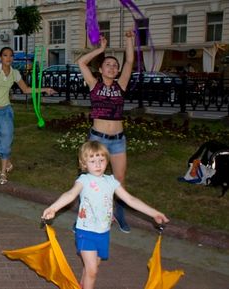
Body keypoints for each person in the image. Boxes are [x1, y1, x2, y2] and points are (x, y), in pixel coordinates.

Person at [41, 140, 169, 289]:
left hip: (103, 233)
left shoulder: (111, 181)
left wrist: (154, 213)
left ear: (107, 161)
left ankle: (81, 286)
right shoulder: (84, 180)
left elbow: (130, 199)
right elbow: (70, 194)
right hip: (86, 232)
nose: (97, 164)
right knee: (92, 271)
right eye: (93, 161)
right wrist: (54, 208)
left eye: (101, 160)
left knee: (92, 267)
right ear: (84, 164)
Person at [77, 31, 134, 233]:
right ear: (100, 69)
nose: (112, 67)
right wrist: (100, 49)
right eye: (108, 65)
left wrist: (129, 40)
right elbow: (82, 63)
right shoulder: (94, 84)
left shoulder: (121, 85)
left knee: (119, 180)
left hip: (118, 141)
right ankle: (84, 216)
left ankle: (118, 213)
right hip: (98, 140)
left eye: (114, 66)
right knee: (91, 180)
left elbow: (129, 61)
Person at [0, 47, 56, 185]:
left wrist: (45, 89)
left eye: (11, 56)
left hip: (5, 111)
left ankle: (3, 172)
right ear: (0, 57)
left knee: (5, 140)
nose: (8, 58)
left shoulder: (15, 73)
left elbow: (26, 89)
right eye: (5, 55)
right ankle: (8, 162)